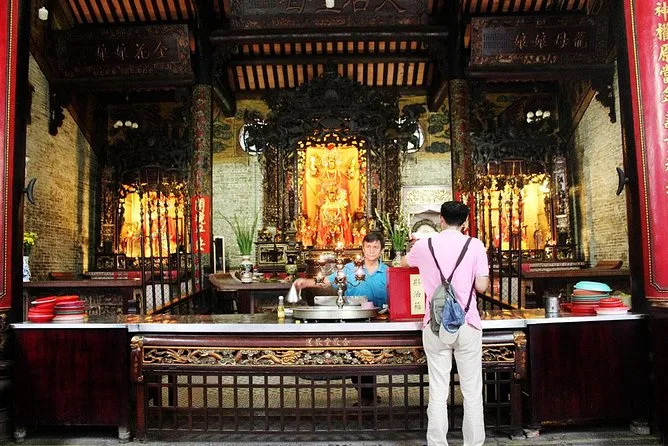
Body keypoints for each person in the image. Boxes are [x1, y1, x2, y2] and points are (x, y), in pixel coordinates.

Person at [402, 201, 490, 446]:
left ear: (440, 219)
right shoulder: (475, 245)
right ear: (465, 223)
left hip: (435, 324)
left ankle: (437, 442)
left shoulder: (424, 245)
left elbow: (403, 263)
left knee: (438, 390)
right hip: (467, 323)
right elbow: (482, 286)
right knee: (472, 391)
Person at [294, 231, 388, 405]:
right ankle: (366, 395)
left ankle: (368, 394)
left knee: (372, 358)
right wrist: (306, 283)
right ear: (362, 248)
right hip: (354, 320)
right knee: (356, 358)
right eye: (368, 247)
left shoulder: (387, 272)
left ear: (381, 250)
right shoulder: (350, 269)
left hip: (379, 321)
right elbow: (327, 281)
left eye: (375, 247)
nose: (371, 250)